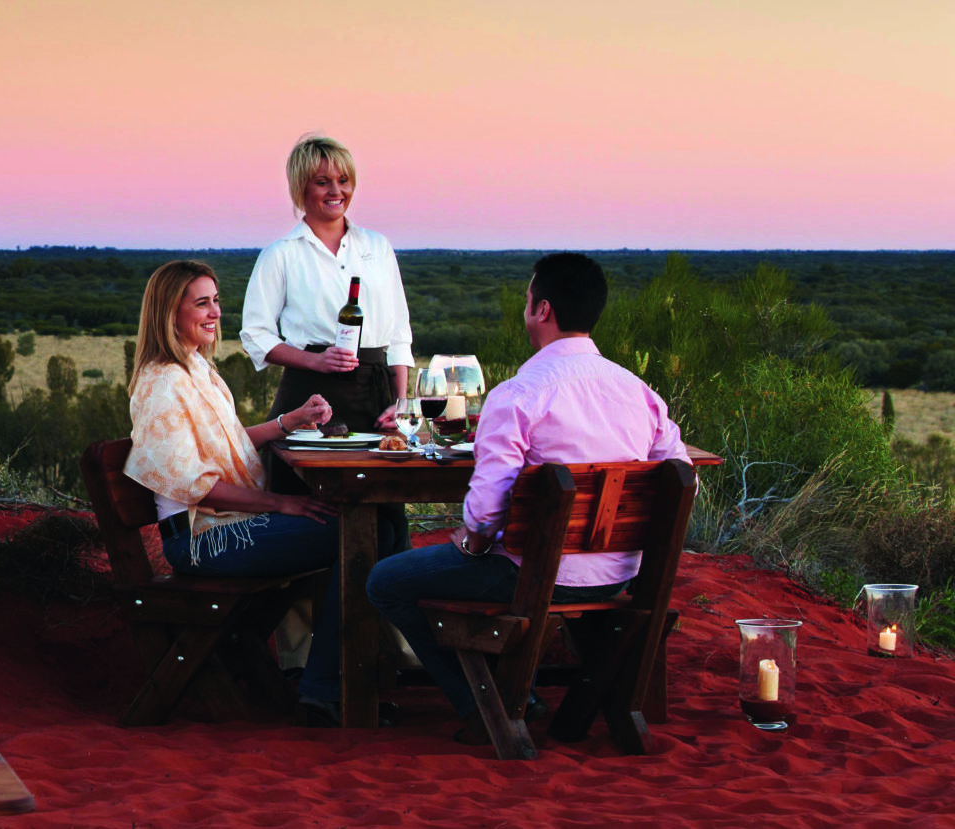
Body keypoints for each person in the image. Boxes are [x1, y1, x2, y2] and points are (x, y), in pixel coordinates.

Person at [365, 253, 691, 742]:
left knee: (385, 580)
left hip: (535, 577)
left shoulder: (520, 394)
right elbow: (683, 479)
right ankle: (515, 692)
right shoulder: (639, 392)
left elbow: (486, 507)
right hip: (619, 577)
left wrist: (473, 544)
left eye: (526, 300)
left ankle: (483, 702)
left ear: (542, 310)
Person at [123, 259, 355, 724]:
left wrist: (288, 421)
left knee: (372, 527)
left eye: (216, 301)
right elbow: (198, 484)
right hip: (200, 541)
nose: (215, 312)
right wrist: (281, 503)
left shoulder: (195, 370)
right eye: (202, 303)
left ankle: (327, 680)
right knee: (353, 535)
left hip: (221, 528)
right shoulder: (163, 383)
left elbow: (219, 445)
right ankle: (326, 686)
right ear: (170, 312)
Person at [239, 134, 413, 552]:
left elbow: (398, 334)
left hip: (375, 398)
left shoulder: (377, 247)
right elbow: (255, 335)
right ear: (301, 188)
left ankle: (384, 615)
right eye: (322, 181)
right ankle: (307, 617)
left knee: (384, 513)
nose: (336, 191)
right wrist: (315, 363)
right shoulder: (281, 254)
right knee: (309, 513)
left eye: (343, 180)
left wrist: (400, 403)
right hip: (308, 400)